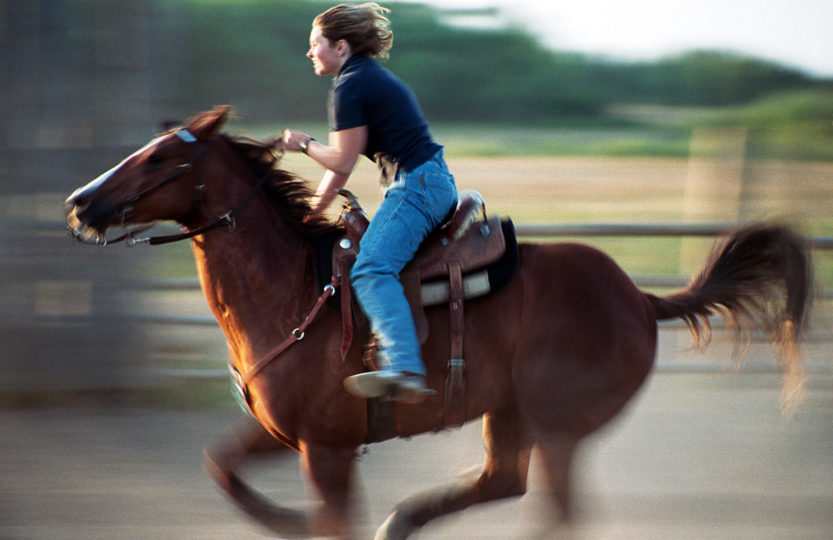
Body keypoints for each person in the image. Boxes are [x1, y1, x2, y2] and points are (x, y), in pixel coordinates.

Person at [281, 3, 458, 402]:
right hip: (426, 182)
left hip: (417, 187)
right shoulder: (362, 79)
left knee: (371, 269)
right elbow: (342, 169)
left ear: (340, 47)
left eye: (315, 45)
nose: (310, 53)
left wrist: (304, 143)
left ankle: (404, 367)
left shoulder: (350, 86)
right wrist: (313, 212)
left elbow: (340, 159)